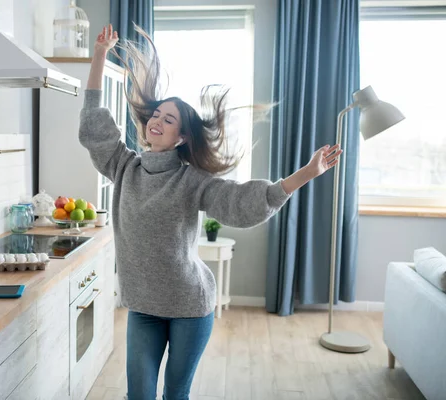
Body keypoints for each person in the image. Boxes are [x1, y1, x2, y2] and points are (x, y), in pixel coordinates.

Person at [79, 25, 343, 400]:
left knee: (175, 393)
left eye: (169, 119)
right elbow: (95, 129)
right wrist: (99, 55)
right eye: (156, 114)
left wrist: (306, 174)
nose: (157, 120)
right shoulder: (125, 168)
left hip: (190, 305)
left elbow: (242, 203)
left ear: (182, 137)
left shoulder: (192, 181)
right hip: (143, 306)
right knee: (138, 395)